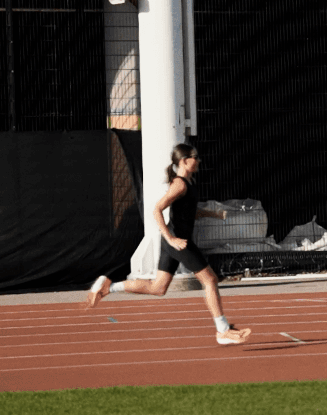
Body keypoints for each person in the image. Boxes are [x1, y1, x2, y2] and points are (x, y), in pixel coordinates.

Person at [86, 143, 251, 346]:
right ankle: (222, 330)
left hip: (173, 242)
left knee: (158, 287)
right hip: (178, 242)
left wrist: (213, 214)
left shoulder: (187, 184)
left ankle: (108, 288)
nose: (199, 160)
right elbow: (157, 210)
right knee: (210, 280)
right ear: (184, 161)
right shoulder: (179, 184)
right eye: (195, 157)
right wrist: (171, 239)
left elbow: (189, 211)